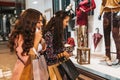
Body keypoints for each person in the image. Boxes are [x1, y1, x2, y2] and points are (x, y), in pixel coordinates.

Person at [9, 8, 45, 80]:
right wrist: (36, 41)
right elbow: (27, 59)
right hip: (25, 72)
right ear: (30, 22)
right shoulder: (19, 37)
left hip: (37, 71)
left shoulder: (33, 34)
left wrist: (42, 42)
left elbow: (41, 51)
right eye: (39, 22)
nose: (42, 24)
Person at [98, 0, 120, 66]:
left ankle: (118, 57)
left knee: (115, 36)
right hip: (106, 13)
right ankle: (107, 56)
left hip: (116, 12)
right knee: (106, 35)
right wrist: (100, 13)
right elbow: (103, 3)